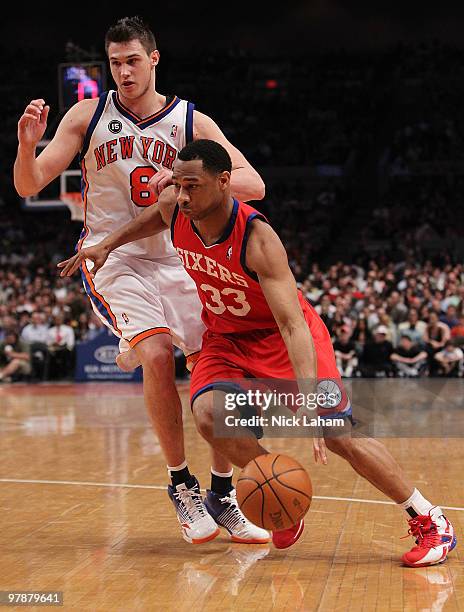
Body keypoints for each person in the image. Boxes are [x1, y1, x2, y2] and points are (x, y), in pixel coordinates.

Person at [58, 139, 457, 565]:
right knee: (210, 415)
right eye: (178, 184)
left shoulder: (258, 238)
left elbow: (292, 324)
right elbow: (154, 217)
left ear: (224, 182)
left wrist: (308, 395)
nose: (183, 195)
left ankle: (429, 519)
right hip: (226, 339)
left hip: (281, 337)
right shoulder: (176, 207)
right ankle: (278, 493)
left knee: (339, 434)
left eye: (192, 186)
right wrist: (108, 244)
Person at [14, 17, 267, 544]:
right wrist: (26, 145)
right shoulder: (89, 114)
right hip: (114, 258)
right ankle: (181, 483)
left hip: (178, 259)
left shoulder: (191, 122)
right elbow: (30, 181)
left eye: (132, 61)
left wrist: (187, 179)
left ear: (154, 60)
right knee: (155, 355)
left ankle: (222, 491)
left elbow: (253, 183)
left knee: (216, 368)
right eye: (114, 63)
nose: (123, 72)